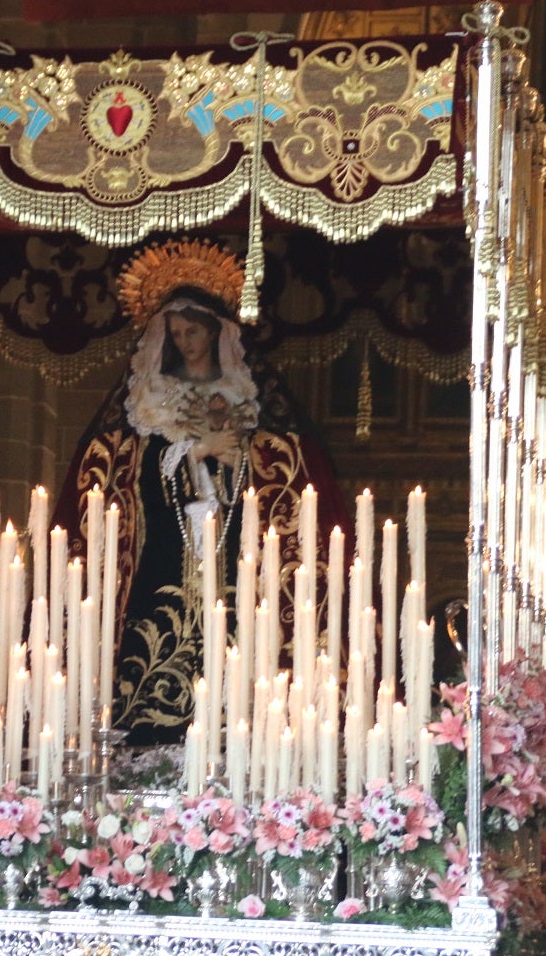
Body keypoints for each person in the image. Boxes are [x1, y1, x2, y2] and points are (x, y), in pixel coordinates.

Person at [54, 238, 344, 745]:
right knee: (154, 640)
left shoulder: (248, 402)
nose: (186, 342)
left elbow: (284, 485)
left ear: (216, 332)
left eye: (194, 331)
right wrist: (192, 453)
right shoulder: (148, 403)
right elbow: (127, 480)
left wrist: (240, 459)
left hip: (234, 553)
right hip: (168, 551)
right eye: (176, 333)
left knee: (240, 644)